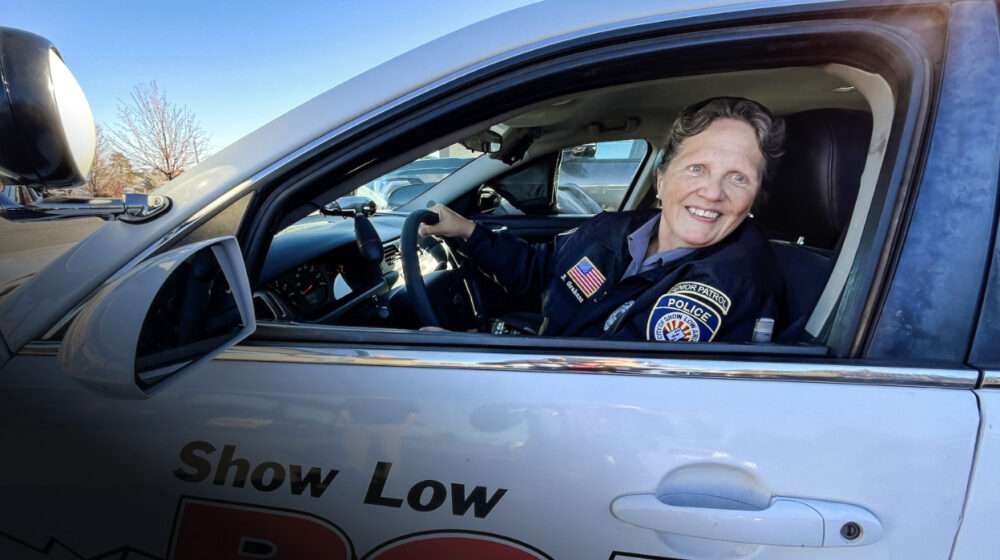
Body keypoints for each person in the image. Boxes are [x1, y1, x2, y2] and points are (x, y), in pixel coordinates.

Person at [420, 97, 786, 343]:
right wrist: (465, 230)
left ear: (754, 196)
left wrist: (468, 354)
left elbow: (611, 384)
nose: (712, 192)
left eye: (738, 177)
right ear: (661, 179)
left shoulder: (730, 285)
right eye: (697, 169)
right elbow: (542, 269)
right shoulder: (614, 229)